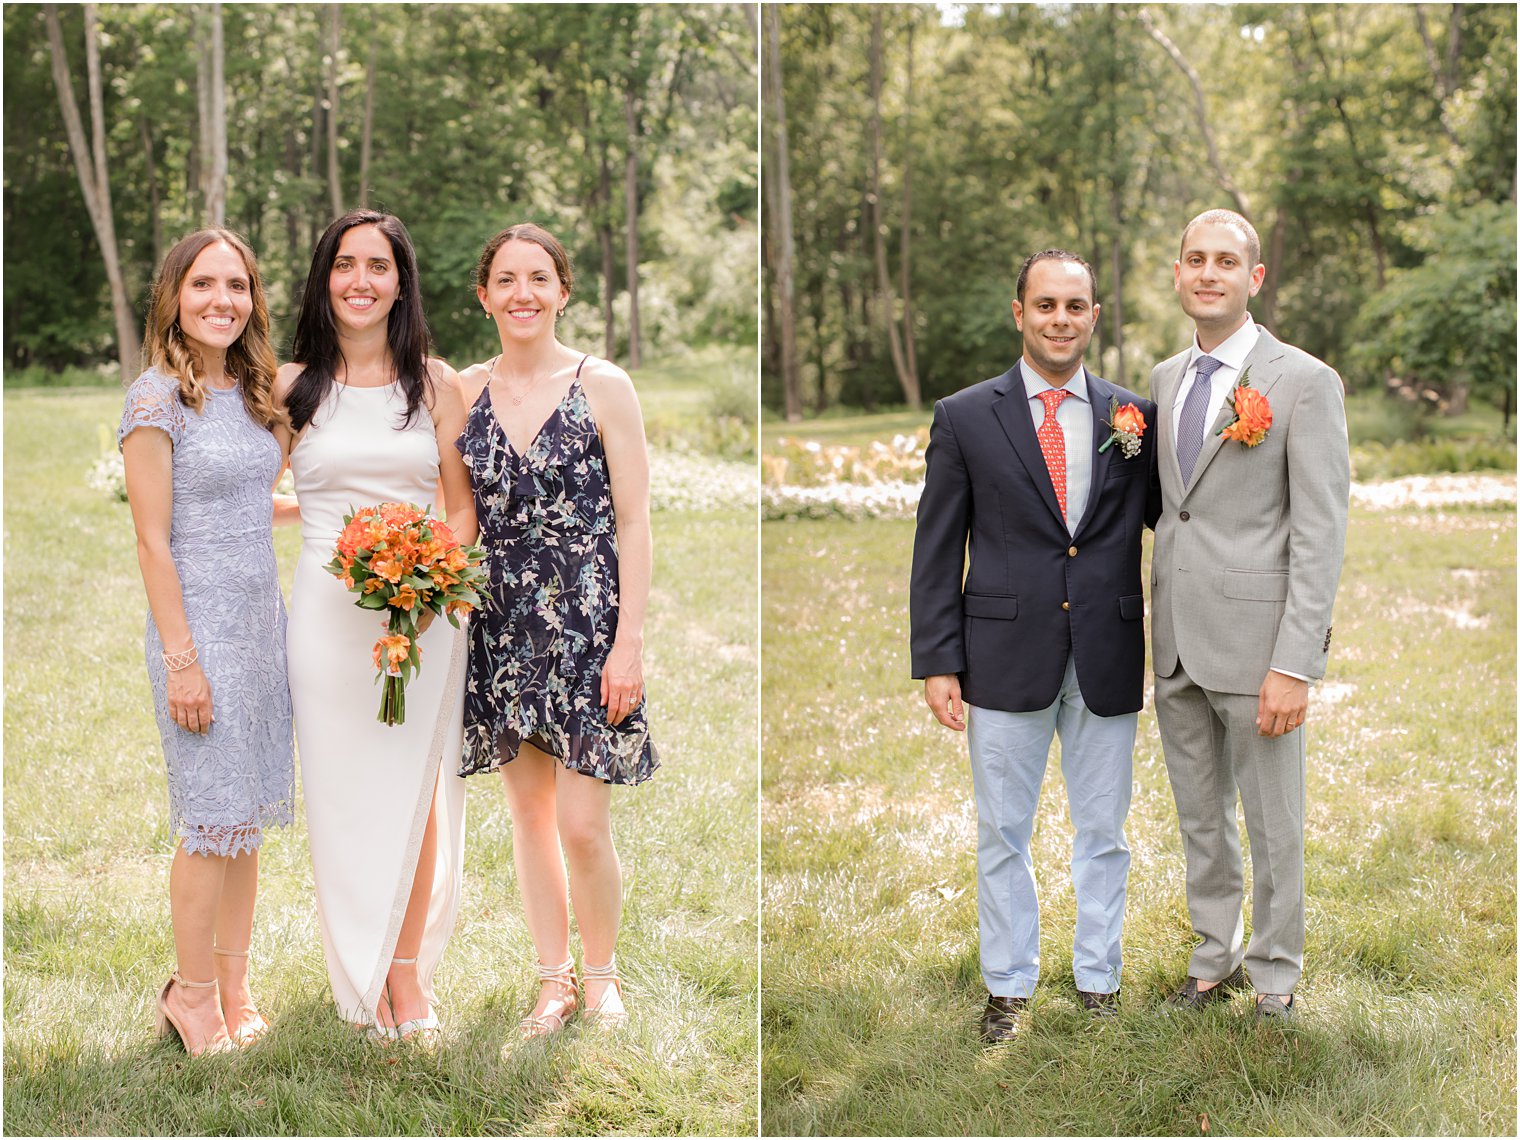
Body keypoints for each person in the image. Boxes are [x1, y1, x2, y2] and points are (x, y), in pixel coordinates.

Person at [910, 250, 1161, 1043]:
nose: (1061, 319)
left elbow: (1172, 521)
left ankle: (1098, 980)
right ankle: (1009, 987)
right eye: (1045, 305)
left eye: (1076, 305)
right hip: (1002, 653)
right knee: (1003, 832)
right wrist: (938, 657)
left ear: (1094, 315)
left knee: (1105, 832)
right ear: (1018, 313)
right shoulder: (965, 416)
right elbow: (937, 545)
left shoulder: (1134, 417)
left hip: (1107, 651)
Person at [275, 209, 475, 1040]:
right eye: (345, 264)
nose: (361, 280)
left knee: (415, 789)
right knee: (340, 792)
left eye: (379, 266)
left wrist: (427, 576)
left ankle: (406, 979)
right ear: (325, 278)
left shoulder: (435, 383)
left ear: (402, 280)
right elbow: (254, 493)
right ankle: (355, 974)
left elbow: (459, 510)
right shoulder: (289, 386)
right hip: (325, 617)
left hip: (422, 615)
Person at [455, 222, 657, 1039]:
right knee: (530, 815)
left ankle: (603, 975)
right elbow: (453, 511)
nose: (523, 294)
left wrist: (629, 641)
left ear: (564, 291)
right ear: (484, 296)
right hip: (500, 626)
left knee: (582, 821)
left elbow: (637, 522)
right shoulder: (461, 390)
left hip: (586, 624)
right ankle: (552, 981)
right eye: (506, 279)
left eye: (539, 278)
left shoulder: (603, 384)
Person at [1150, 209, 1349, 1022]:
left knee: (1272, 824)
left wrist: (1296, 662)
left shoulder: (1303, 381)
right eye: (1195, 259)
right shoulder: (1163, 380)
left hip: (1260, 646)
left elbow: (1320, 532)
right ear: (1178, 273)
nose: (1208, 273)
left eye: (1226, 262)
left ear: (1254, 278)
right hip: (1175, 647)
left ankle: (1276, 975)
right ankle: (1215, 955)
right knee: (1200, 817)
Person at [119, 228, 294, 1056]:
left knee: (245, 821)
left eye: (237, 285)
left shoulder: (256, 393)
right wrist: (184, 661)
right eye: (203, 285)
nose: (222, 300)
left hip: (262, 628)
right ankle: (190, 999)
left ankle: (234, 983)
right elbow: (154, 540)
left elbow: (253, 501)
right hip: (198, 635)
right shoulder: (156, 398)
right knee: (208, 822)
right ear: (174, 297)